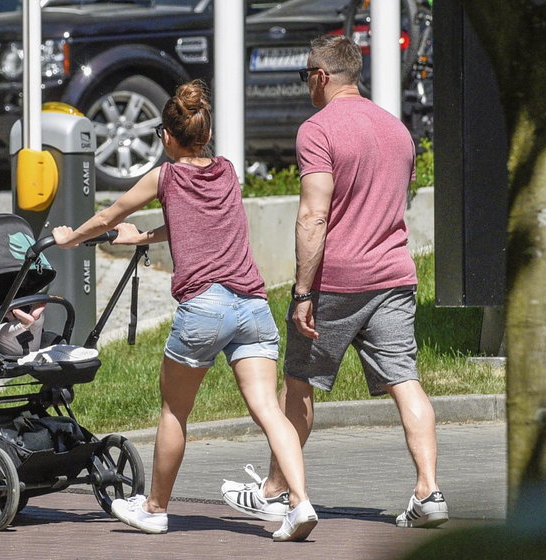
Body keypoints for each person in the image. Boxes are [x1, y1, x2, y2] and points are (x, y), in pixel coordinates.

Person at [52, 80, 318, 541]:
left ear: (167, 137)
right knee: (270, 411)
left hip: (205, 307)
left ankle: (155, 508)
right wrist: (145, 237)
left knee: (175, 411)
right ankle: (299, 504)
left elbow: (107, 215)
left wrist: (70, 238)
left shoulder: (165, 177)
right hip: (252, 306)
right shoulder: (228, 172)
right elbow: (199, 225)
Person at [222, 34, 449, 529]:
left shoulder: (317, 130)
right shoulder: (397, 130)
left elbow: (312, 217)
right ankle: (429, 491)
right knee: (405, 381)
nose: (306, 84)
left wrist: (303, 291)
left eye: (306, 75)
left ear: (323, 76)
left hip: (337, 282)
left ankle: (276, 491)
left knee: (299, 385)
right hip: (394, 275)